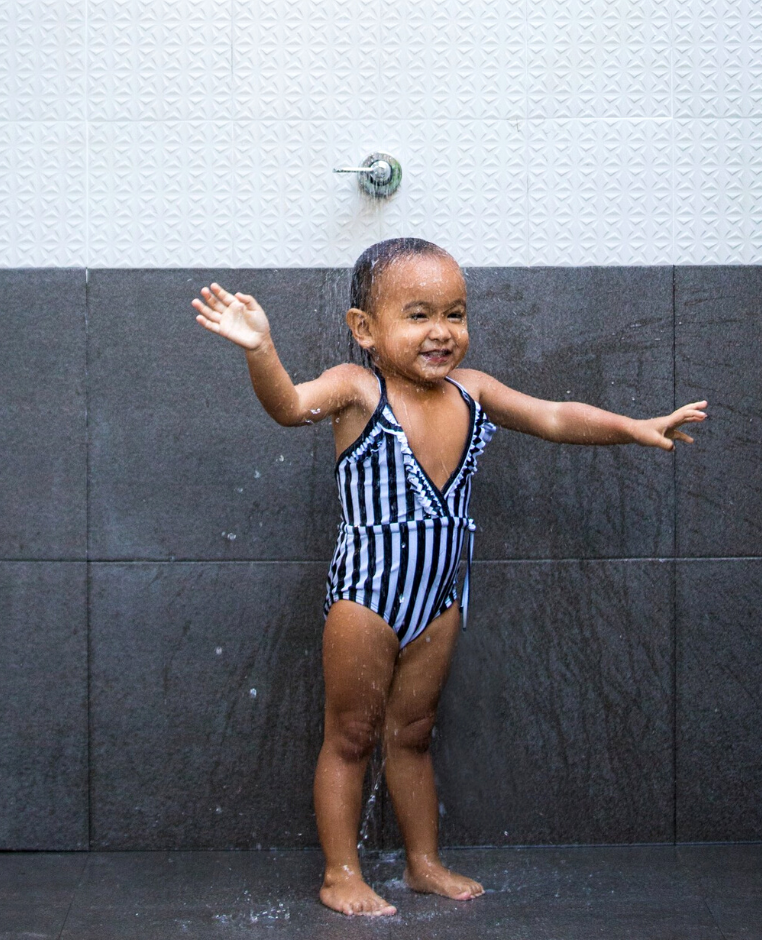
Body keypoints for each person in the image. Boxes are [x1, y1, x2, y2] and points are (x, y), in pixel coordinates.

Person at [192, 237, 707, 917]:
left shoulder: (474, 390)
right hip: (366, 598)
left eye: (455, 314)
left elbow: (553, 416)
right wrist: (261, 350)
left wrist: (633, 427)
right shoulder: (355, 388)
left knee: (413, 732)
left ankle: (423, 862)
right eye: (418, 315)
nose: (442, 332)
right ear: (365, 330)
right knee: (350, 735)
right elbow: (289, 406)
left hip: (440, 598)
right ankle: (340, 871)